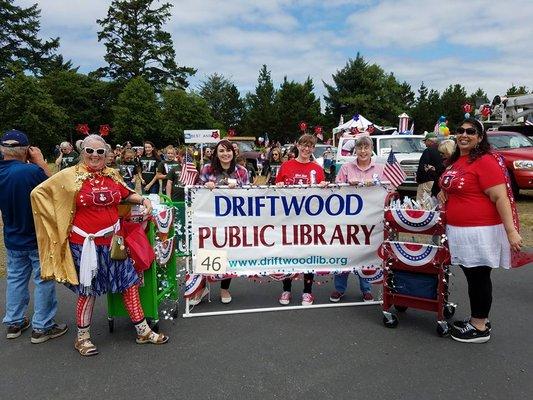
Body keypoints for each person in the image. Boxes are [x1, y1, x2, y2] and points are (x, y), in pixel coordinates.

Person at [31, 134, 168, 356]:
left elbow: (126, 193)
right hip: (84, 245)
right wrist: (56, 220)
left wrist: (143, 200)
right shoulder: (69, 176)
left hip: (114, 243)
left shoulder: (112, 175)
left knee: (129, 283)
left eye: (100, 152)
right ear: (82, 152)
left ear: (106, 154)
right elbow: (39, 193)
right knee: (88, 291)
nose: (95, 155)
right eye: (90, 151)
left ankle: (143, 330)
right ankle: (82, 338)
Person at [438, 118, 522, 343]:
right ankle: (478, 318)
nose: (464, 135)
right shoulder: (458, 161)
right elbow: (453, 187)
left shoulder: (485, 161)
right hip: (459, 230)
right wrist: (443, 194)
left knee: (479, 278)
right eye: (460, 130)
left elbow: (500, 197)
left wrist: (511, 231)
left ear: (480, 137)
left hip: (480, 232)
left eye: (471, 131)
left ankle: (480, 327)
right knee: (472, 276)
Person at [0, 130, 68, 343]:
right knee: (43, 279)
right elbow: (58, 189)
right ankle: (43, 326)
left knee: (16, 279)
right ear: (27, 150)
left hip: (12, 236)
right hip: (37, 236)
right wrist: (40, 162)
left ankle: (14, 321)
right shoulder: (30, 172)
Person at [191, 140, 249, 305]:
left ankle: (224, 289)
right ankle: (202, 288)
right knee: (207, 252)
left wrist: (238, 190)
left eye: (228, 150)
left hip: (232, 219)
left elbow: (249, 195)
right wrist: (205, 186)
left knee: (228, 253)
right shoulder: (207, 169)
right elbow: (195, 193)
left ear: (233, 152)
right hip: (209, 219)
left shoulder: (242, 171)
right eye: (222, 151)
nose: (225, 154)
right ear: (216, 153)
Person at [330, 136, 384, 303]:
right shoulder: (346, 168)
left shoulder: (380, 168)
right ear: (355, 150)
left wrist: (375, 185)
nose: (362, 151)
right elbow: (336, 190)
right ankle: (339, 289)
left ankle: (366, 289)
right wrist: (348, 186)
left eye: (366, 147)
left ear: (371, 149)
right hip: (347, 219)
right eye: (359, 147)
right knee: (344, 252)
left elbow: (390, 189)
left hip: (370, 220)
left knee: (365, 254)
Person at [275, 134, 327, 306]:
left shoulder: (317, 169)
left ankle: (307, 292)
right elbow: (275, 192)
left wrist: (324, 188)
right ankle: (286, 289)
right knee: (288, 254)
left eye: (310, 146)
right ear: (297, 145)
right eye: (304, 145)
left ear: (313, 148)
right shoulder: (286, 166)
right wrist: (279, 187)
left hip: (309, 221)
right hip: (288, 220)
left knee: (308, 255)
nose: (306, 149)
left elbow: (323, 197)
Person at [416, 133, 442, 203]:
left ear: (430, 141)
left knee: (422, 204)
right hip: (438, 182)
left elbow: (423, 166)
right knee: (434, 204)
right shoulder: (441, 150)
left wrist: (419, 178)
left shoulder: (428, 151)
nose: (425, 144)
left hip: (426, 181)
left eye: (425, 141)